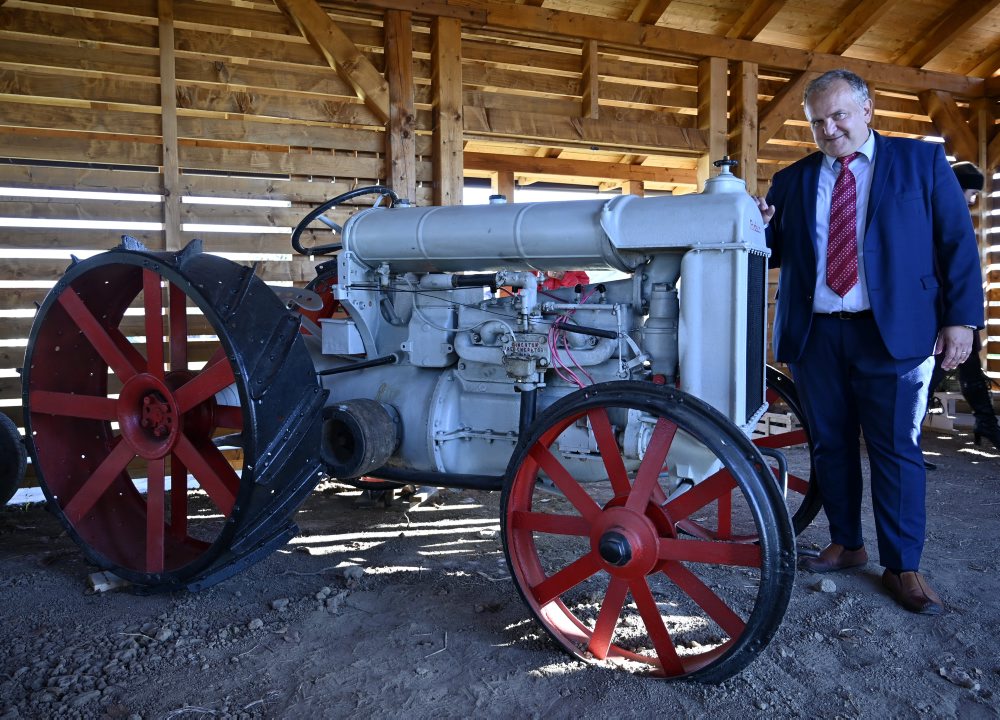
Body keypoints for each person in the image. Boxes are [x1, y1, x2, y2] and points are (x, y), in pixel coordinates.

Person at [753, 69, 984, 615]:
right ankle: (847, 544)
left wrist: (961, 320)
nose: (829, 129)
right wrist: (757, 227)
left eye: (838, 115)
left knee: (895, 448)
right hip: (816, 334)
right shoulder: (790, 180)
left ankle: (904, 565)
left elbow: (956, 243)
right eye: (817, 122)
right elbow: (775, 252)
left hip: (895, 333)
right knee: (830, 444)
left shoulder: (921, 162)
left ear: (866, 110)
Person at [925, 162, 999, 453]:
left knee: (969, 367)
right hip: (941, 307)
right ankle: (907, 439)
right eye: (971, 192)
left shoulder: (955, 215)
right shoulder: (936, 215)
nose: (973, 199)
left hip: (958, 307)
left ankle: (986, 423)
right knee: (934, 373)